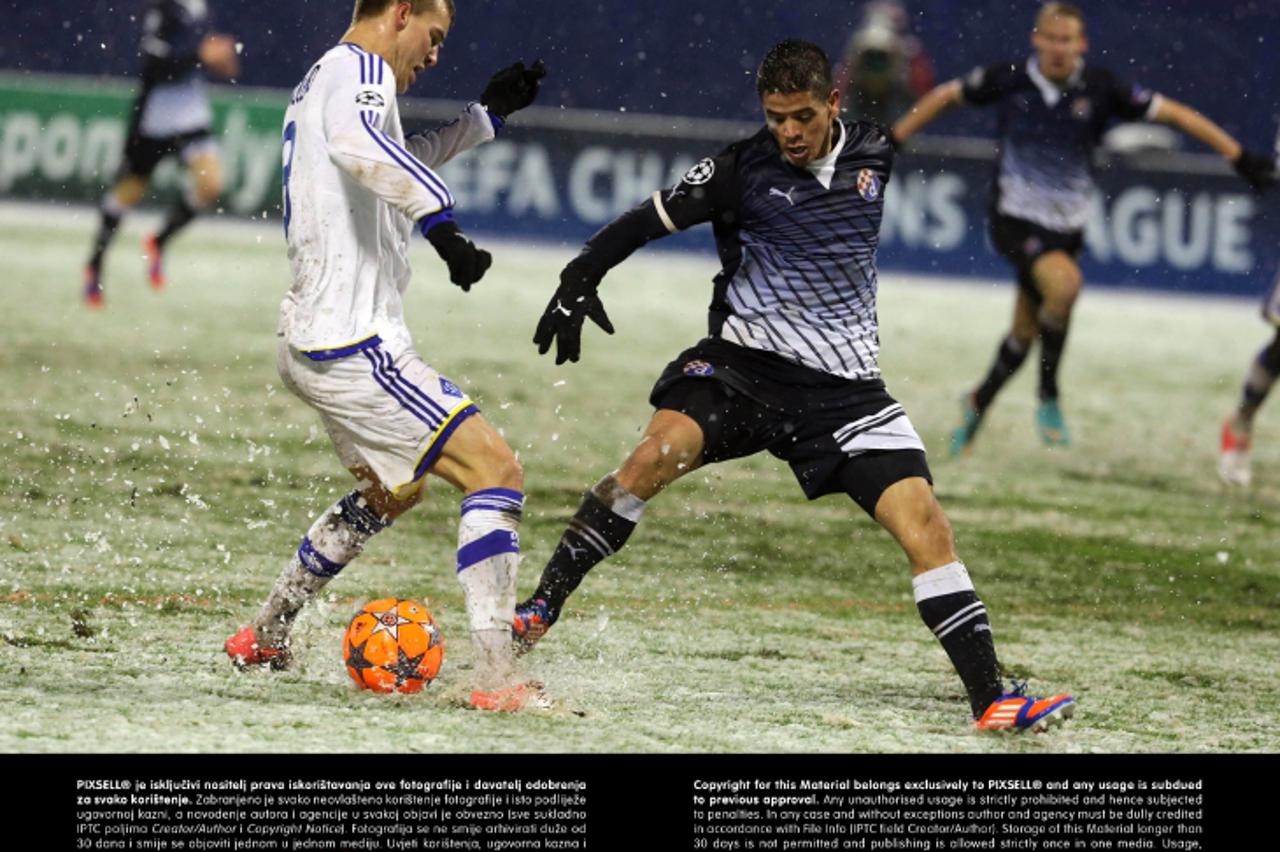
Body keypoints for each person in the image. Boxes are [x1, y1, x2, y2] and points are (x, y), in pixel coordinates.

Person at [513, 39, 1075, 732]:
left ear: (832, 103)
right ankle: (536, 613)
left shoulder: (874, 154)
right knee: (649, 460)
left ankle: (991, 699)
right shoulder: (739, 167)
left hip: (846, 392)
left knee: (927, 526)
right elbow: (645, 219)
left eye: (802, 115)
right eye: (776, 117)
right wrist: (580, 275)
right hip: (740, 369)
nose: (789, 131)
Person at [223, 0, 548, 713]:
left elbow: (382, 152)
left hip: (311, 337)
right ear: (400, 11)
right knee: (495, 471)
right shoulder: (362, 71)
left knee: (392, 491)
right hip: (354, 342)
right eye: (433, 37)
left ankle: (265, 634)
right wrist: (443, 224)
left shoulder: (327, 77)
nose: (434, 55)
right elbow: (364, 149)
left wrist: (482, 118)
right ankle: (499, 680)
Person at [889, 2, 1277, 455]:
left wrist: (1238, 156)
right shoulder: (1009, 78)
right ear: (1036, 39)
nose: (1058, 48)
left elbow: (1177, 114)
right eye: (1050, 38)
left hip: (1067, 226)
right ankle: (1048, 393)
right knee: (1065, 286)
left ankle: (979, 400)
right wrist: (893, 140)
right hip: (1014, 218)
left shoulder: (1101, 88)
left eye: (1066, 40)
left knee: (1025, 331)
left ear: (1082, 45)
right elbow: (946, 96)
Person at [83, 0, 240, 307]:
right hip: (157, 115)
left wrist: (219, 60)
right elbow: (154, 63)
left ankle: (159, 240)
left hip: (191, 113)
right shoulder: (164, 8)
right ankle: (95, 263)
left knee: (210, 185)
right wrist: (199, 55)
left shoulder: (200, 7)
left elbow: (202, 53)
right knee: (129, 191)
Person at [834, 0, 934, 126]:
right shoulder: (856, 49)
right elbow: (841, 88)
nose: (875, 62)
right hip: (862, 105)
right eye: (870, 56)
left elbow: (925, 95)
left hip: (895, 108)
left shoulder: (909, 51)